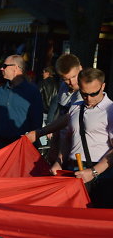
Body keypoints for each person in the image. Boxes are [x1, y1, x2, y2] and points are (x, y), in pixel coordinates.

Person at [55, 68, 113, 207]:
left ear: (103, 86)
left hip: (101, 176)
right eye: (84, 94)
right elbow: (68, 138)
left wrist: (93, 172)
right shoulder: (75, 107)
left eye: (94, 93)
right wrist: (59, 161)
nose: (89, 98)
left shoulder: (111, 110)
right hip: (72, 171)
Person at [25, 54, 84, 163]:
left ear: (80, 68)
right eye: (66, 79)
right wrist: (54, 146)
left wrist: (40, 132)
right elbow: (60, 115)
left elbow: (68, 117)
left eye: (74, 76)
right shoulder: (63, 87)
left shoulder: (85, 91)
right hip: (62, 144)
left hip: (78, 148)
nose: (72, 82)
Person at [0, 55, 43, 152]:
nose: (2, 68)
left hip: (20, 147)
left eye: (5, 66)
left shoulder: (32, 92)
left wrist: (31, 145)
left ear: (15, 68)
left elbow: (36, 123)